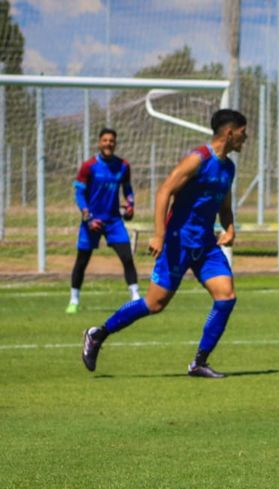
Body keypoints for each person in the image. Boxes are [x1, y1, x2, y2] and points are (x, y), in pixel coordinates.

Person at [80, 109, 247, 378]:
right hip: (177, 243)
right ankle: (98, 333)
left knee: (226, 296)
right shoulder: (198, 159)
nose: (245, 137)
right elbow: (164, 191)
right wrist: (159, 234)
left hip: (204, 245)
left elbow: (224, 206)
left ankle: (199, 363)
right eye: (242, 132)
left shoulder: (228, 167)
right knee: (154, 304)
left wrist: (229, 227)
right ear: (229, 133)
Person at [67, 128, 140, 313]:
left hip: (114, 221)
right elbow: (79, 194)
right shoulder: (89, 166)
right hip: (91, 222)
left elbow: (128, 190)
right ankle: (74, 300)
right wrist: (88, 216)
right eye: (105, 140)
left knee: (127, 257)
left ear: (115, 143)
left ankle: (136, 296)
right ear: (99, 143)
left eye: (111, 141)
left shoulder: (123, 166)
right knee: (82, 261)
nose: (108, 143)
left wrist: (130, 204)